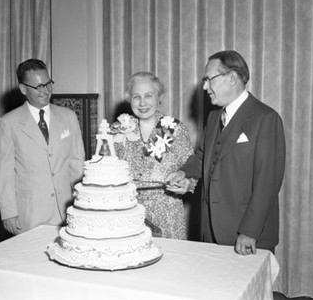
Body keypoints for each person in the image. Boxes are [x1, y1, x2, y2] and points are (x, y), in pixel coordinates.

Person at [166, 50, 285, 255]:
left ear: (232, 78)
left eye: (208, 79)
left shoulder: (266, 118)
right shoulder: (214, 117)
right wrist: (183, 172)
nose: (204, 87)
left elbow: (268, 183)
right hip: (210, 232)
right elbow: (202, 156)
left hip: (246, 236)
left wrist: (249, 231)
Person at [0, 59, 85, 235]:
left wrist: (81, 202)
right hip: (30, 213)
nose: (46, 90)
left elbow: (77, 162)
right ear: (23, 89)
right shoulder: (7, 124)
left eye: (48, 83)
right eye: (39, 86)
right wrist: (8, 212)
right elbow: (4, 173)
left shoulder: (69, 117)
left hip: (66, 210)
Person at [113, 72, 196, 239]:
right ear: (130, 99)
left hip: (167, 216)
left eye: (148, 96)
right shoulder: (118, 129)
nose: (142, 103)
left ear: (159, 97)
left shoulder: (175, 129)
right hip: (127, 213)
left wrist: (187, 183)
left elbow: (193, 169)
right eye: (136, 96)